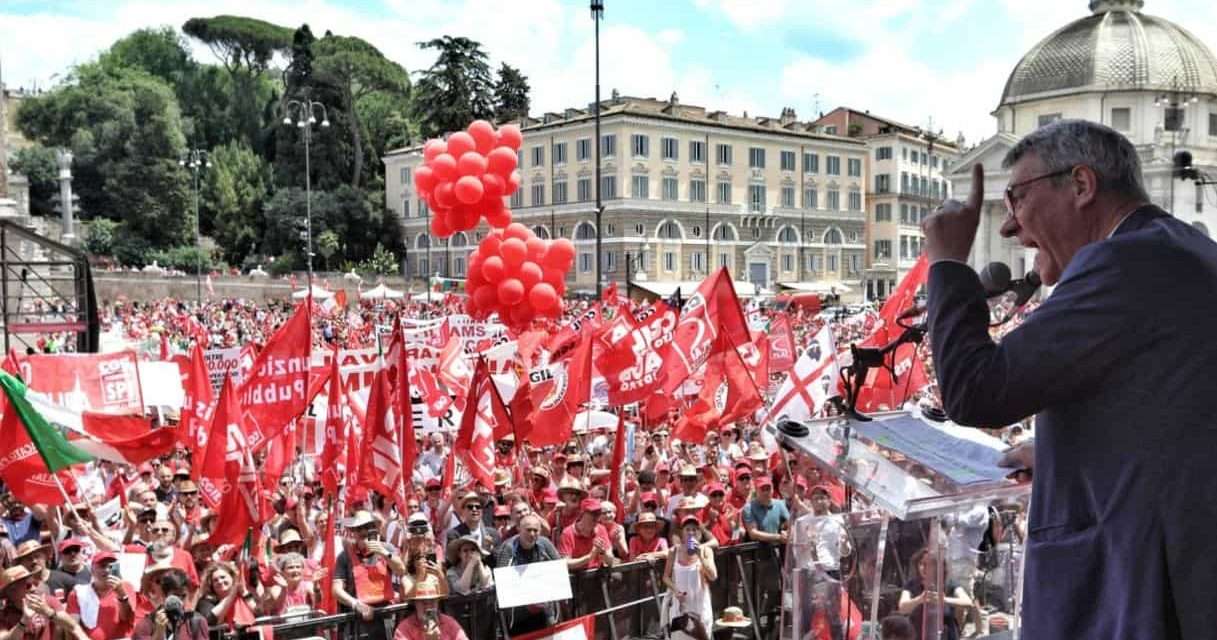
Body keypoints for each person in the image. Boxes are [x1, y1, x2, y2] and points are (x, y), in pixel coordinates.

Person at [921, 118, 1217, 638]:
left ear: (1081, 185)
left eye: (1017, 198)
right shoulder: (1180, 249)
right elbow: (1175, 416)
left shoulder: (1125, 261)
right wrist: (1065, 451)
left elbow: (975, 391)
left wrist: (947, 262)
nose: (1009, 226)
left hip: (1148, 589)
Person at [494, 513, 561, 635]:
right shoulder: (508, 548)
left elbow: (559, 568)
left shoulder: (545, 544)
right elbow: (502, 583)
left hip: (544, 607)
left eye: (535, 530)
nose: (532, 534)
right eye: (528, 530)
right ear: (519, 529)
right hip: (518, 613)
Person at [896, 549, 972, 640]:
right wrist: (920, 599)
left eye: (929, 564)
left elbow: (968, 602)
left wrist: (944, 600)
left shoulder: (949, 584)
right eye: (921, 563)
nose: (923, 567)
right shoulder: (911, 585)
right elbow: (902, 608)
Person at [663, 514, 716, 640]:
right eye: (688, 529)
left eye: (694, 529)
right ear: (682, 532)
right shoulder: (674, 551)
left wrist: (700, 555)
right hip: (681, 607)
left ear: (699, 532)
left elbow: (713, 576)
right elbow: (666, 577)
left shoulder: (706, 551)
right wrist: (676, 591)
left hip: (700, 605)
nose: (691, 532)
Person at [65, 552, 135, 640]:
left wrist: (121, 593)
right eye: (102, 566)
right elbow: (72, 626)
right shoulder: (79, 592)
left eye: (111, 566)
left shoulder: (126, 587)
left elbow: (125, 617)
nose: (107, 570)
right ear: (92, 570)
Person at [132, 569, 208, 640]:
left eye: (183, 596)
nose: (180, 602)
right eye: (175, 596)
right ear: (164, 596)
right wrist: (159, 632)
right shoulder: (145, 625)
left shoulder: (197, 621)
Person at [391, 581, 467, 640]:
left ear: (438, 602)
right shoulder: (404, 629)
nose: (428, 606)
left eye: (432, 601)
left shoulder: (450, 623)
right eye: (423, 601)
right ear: (415, 603)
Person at [558, 499, 616, 570]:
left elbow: (610, 561)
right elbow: (566, 564)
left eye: (598, 513)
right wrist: (589, 557)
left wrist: (603, 553)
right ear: (582, 513)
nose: (596, 516)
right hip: (577, 576)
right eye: (593, 513)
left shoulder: (601, 529)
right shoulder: (567, 533)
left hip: (596, 574)